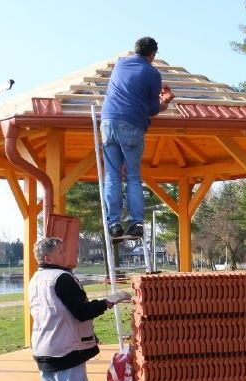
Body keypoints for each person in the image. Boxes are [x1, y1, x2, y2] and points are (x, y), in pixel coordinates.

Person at [28, 237, 128, 381]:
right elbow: (82, 312)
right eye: (62, 251)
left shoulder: (37, 278)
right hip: (65, 351)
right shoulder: (61, 278)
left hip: (44, 349)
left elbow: (58, 313)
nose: (68, 254)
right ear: (48, 258)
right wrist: (109, 300)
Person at [101, 36, 175, 240]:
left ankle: (114, 222)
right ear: (152, 54)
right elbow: (151, 109)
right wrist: (165, 102)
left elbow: (130, 85)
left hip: (107, 122)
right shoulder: (152, 73)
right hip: (131, 125)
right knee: (132, 176)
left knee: (111, 175)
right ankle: (136, 223)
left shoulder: (120, 64)